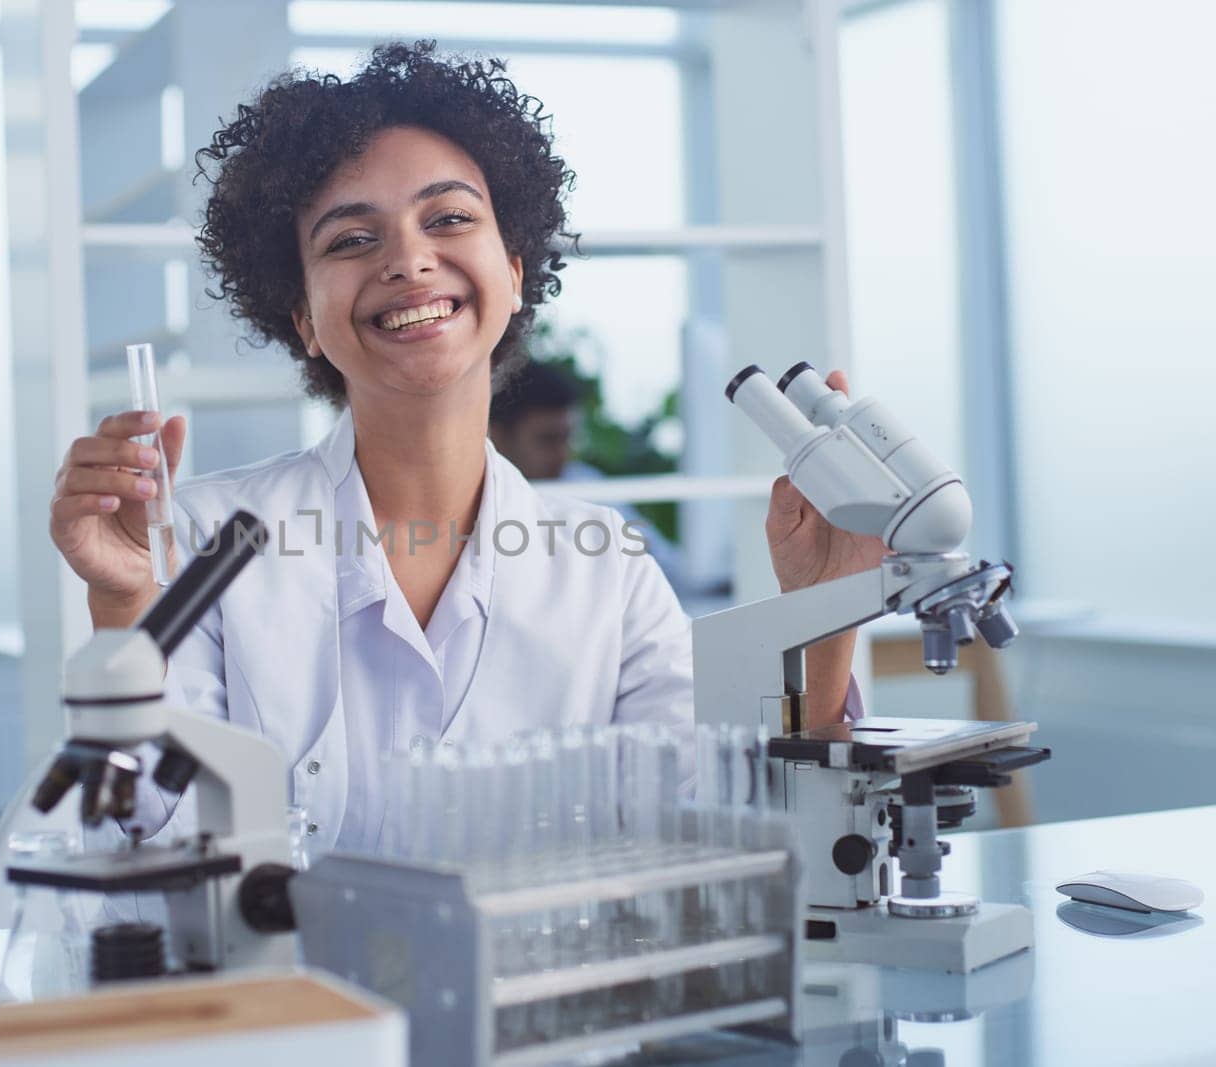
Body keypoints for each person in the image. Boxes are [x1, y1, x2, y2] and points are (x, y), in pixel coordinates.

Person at [49, 43, 880, 851]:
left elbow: (721, 826)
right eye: (350, 239)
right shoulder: (198, 540)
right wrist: (122, 608)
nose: (410, 260)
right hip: (286, 994)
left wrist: (826, 613)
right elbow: (146, 824)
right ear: (302, 317)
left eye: (448, 218)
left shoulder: (606, 567)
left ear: (514, 273)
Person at [487, 359, 690, 595]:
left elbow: (663, 565)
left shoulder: (585, 487)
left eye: (568, 438)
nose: (564, 453)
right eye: (548, 439)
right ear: (498, 436)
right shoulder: (481, 501)